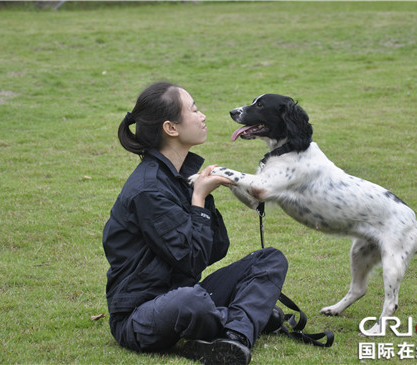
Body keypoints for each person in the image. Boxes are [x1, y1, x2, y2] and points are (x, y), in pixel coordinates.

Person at [102, 81, 288, 364]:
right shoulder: (148, 190)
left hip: (185, 293)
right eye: (194, 110)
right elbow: (191, 259)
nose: (203, 116)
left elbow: (217, 249)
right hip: (141, 316)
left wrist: (201, 195)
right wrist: (199, 198)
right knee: (192, 301)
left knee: (269, 260)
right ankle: (247, 320)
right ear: (171, 128)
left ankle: (236, 334)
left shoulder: (179, 175)